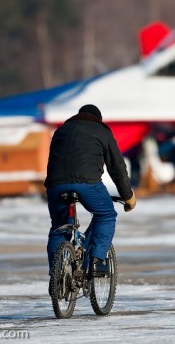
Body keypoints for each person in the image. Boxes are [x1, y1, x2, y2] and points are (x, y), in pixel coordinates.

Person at [44, 104, 136, 276]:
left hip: (56, 186)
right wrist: (128, 196)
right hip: (87, 184)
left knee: (60, 226)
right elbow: (117, 168)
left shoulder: (60, 131)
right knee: (106, 215)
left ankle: (57, 275)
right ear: (97, 119)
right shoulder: (102, 131)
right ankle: (96, 261)